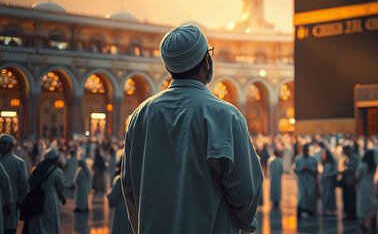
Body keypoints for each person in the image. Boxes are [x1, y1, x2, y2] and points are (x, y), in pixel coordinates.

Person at [122, 25, 262, 233]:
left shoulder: (141, 115)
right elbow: (245, 189)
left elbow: (130, 187)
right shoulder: (225, 116)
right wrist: (245, 223)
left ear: (170, 66)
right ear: (206, 60)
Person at [25, 148, 66, 234]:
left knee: (39, 221)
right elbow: (61, 187)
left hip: (37, 198)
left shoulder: (37, 169)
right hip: (51, 198)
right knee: (50, 221)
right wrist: (62, 197)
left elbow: (30, 182)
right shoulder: (57, 171)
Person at [0, 134, 27, 234]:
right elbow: (24, 184)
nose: (1, 146)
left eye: (5, 143)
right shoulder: (19, 163)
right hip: (12, 204)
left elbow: (24, 183)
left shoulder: (19, 162)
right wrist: (20, 201)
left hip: (10, 204)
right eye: (0, 143)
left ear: (11, 145)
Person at [107, 161, 133, 234]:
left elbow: (112, 198)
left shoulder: (119, 180)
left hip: (121, 213)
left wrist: (108, 195)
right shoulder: (134, 180)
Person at [294, 143, 318, 217]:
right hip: (302, 180)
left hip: (310, 181)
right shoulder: (298, 159)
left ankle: (310, 210)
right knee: (302, 194)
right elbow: (295, 169)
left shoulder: (313, 159)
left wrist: (310, 169)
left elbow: (316, 171)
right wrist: (301, 169)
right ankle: (300, 208)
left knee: (310, 195)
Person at [356, 149, 378, 230]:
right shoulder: (374, 165)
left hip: (362, 186)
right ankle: (373, 221)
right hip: (372, 186)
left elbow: (358, 177)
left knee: (362, 203)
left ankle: (362, 221)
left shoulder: (362, 165)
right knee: (372, 203)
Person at [338, 145, 358, 221]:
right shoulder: (343, 158)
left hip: (351, 181)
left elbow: (353, 168)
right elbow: (340, 168)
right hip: (344, 181)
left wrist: (345, 170)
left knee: (351, 198)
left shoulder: (354, 157)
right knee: (345, 198)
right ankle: (347, 213)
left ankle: (352, 213)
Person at [319, 149, 337, 216]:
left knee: (330, 196)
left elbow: (335, 171)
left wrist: (329, 175)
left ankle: (330, 209)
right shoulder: (323, 162)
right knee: (324, 195)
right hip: (324, 182)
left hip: (330, 181)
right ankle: (325, 208)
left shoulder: (332, 162)